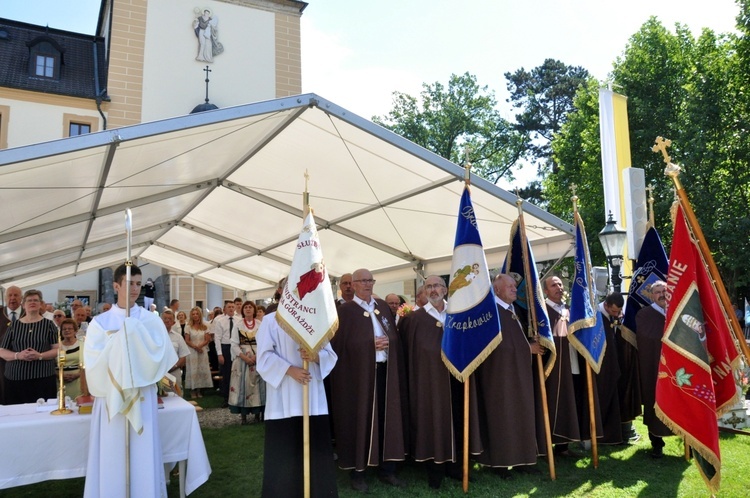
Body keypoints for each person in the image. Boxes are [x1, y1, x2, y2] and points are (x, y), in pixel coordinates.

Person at [83, 263, 177, 498]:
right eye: (129, 283)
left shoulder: (151, 321)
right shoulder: (100, 323)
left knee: (143, 451)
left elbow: (162, 356)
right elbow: (94, 364)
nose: (135, 289)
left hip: (142, 396)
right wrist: (123, 340)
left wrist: (134, 340)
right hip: (111, 399)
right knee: (113, 452)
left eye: (138, 283)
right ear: (116, 286)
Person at [399, 275, 481, 489]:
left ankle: (457, 468)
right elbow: (407, 354)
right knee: (433, 422)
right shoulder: (413, 320)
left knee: (458, 419)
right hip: (428, 383)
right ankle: (434, 470)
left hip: (458, 379)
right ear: (424, 292)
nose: (433, 290)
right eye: (428, 287)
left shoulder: (459, 315)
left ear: (446, 289)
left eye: (437, 286)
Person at [330, 268, 407, 492]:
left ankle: (387, 469)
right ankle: (358, 472)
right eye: (362, 281)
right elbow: (339, 348)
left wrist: (389, 342)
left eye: (370, 280)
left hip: (385, 373)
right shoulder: (345, 312)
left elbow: (394, 335)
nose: (367, 284)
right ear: (352, 285)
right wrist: (369, 346)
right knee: (360, 421)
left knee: (387, 420)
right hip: (358, 378)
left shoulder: (382, 306)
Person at [256, 310, 339, 497]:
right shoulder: (270, 321)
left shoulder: (316, 320)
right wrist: (289, 369)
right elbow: (263, 357)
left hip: (313, 401)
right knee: (284, 457)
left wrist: (315, 356)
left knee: (316, 455)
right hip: (283, 402)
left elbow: (330, 355)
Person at [474, 274, 542, 478]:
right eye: (510, 286)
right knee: (503, 418)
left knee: (522, 415)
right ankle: (501, 463)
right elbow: (495, 346)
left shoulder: (512, 311)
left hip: (517, 375)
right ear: (497, 290)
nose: (515, 289)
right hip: (500, 378)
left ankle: (523, 460)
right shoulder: (491, 313)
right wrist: (527, 348)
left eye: (514, 286)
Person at [537, 276, 582, 457]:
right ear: (546, 291)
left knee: (571, 403)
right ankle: (549, 445)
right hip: (553, 368)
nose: (559, 287)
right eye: (554, 285)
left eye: (560, 284)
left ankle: (564, 446)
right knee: (554, 404)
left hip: (573, 364)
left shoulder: (570, 310)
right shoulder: (542, 312)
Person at [0, 289, 58, 404]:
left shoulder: (49, 325)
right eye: (29, 300)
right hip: (15, 380)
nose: (32, 302)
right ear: (23, 304)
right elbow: (2, 350)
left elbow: (57, 349)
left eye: (36, 300)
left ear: (41, 304)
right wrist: (18, 355)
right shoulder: (14, 325)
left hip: (43, 379)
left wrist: (40, 355)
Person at [635, 281, 673, 458]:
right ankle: (656, 443)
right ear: (651, 295)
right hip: (654, 368)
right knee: (654, 401)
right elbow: (646, 337)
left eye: (664, 290)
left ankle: (690, 443)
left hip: (677, 368)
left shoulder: (678, 311)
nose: (661, 294)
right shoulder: (644, 314)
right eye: (657, 292)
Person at [595, 293, 625, 444]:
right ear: (606, 305)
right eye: (613, 311)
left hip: (612, 365)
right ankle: (599, 434)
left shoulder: (614, 315)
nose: (616, 314)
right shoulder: (596, 315)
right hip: (600, 369)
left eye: (618, 311)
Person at [229, 301, 265, 424]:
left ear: (254, 310)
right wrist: (244, 357)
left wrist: (255, 356)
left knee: (257, 386)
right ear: (243, 310)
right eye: (246, 307)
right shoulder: (238, 324)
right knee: (242, 386)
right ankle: (243, 417)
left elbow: (264, 342)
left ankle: (257, 415)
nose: (248, 309)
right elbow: (234, 343)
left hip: (257, 358)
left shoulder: (260, 324)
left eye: (250, 307)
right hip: (242, 359)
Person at [184, 307, 214, 399]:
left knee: (201, 369)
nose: (195, 316)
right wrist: (195, 347)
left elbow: (207, 339)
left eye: (197, 314)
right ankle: (192, 390)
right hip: (192, 351)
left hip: (202, 350)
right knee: (193, 369)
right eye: (193, 314)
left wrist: (200, 346)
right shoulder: (188, 326)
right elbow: (187, 340)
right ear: (191, 315)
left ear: (200, 315)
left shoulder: (205, 326)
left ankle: (199, 390)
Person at [0, 285, 23, 403]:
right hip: (2, 364)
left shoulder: (29, 314)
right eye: (10, 295)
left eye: (16, 295)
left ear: (21, 298)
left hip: (25, 364)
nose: (12, 298)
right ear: (5, 298)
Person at [213, 301, 236, 406]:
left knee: (236, 373)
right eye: (229, 307)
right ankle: (226, 398)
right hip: (225, 347)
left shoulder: (239, 320)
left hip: (235, 347)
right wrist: (219, 354)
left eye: (232, 307)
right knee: (226, 374)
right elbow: (217, 338)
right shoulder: (220, 321)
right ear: (225, 309)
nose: (231, 309)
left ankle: (236, 397)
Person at [162, 310, 190, 392]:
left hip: (174, 372)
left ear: (173, 323)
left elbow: (183, 356)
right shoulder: (154, 336)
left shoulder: (178, 337)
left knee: (176, 396)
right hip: (159, 373)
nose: (167, 321)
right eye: (165, 318)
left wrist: (173, 367)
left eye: (169, 319)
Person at [59, 317, 87, 398]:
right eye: (64, 329)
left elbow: (87, 364)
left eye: (70, 328)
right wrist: (59, 375)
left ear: (75, 331)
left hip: (78, 381)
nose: (67, 330)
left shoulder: (82, 344)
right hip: (60, 382)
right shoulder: (57, 346)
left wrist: (77, 374)